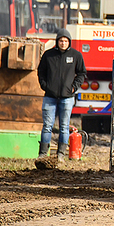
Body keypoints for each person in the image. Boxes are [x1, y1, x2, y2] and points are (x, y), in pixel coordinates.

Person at [37, 28, 87, 161]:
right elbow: (41, 72)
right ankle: (42, 154)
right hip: (50, 97)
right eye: (61, 40)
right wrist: (44, 86)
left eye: (65, 41)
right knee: (47, 126)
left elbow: (82, 73)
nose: (63, 43)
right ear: (57, 41)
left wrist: (74, 87)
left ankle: (61, 154)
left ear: (69, 42)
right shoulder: (48, 55)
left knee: (64, 127)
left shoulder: (76, 56)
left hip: (67, 98)